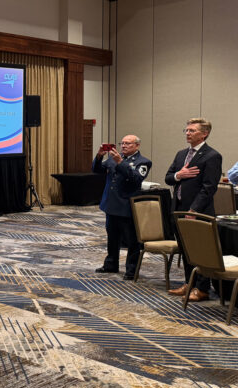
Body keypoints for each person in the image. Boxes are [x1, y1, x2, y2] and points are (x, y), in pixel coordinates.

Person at [165, 117, 222, 302]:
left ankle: (202, 289)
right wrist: (178, 175)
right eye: (186, 130)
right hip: (178, 209)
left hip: (197, 212)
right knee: (185, 250)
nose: (188, 133)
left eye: (192, 130)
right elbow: (168, 178)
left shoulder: (212, 156)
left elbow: (209, 188)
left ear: (204, 133)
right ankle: (189, 283)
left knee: (200, 251)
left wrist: (193, 211)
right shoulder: (181, 154)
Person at [92, 135, 151, 280]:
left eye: (128, 144)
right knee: (112, 237)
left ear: (137, 146)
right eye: (122, 143)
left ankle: (131, 270)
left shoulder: (143, 162)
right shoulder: (113, 158)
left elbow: (136, 178)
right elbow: (97, 170)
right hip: (111, 204)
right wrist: (99, 156)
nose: (123, 146)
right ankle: (111, 264)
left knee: (131, 240)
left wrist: (120, 162)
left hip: (127, 206)